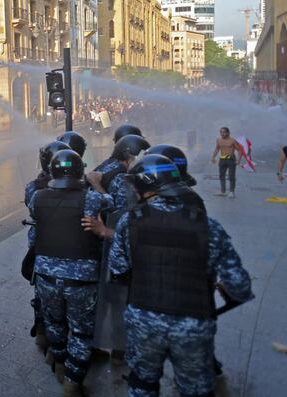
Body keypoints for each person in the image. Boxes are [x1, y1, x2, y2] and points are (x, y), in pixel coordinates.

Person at [109, 153, 254, 397]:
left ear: (146, 185)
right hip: (193, 325)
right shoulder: (208, 226)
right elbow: (240, 286)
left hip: (144, 320)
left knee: (142, 384)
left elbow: (118, 269)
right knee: (195, 389)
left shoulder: (129, 221)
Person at [29, 149, 113, 396]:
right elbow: (113, 202)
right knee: (80, 330)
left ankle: (59, 362)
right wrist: (97, 183)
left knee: (54, 322)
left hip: (45, 275)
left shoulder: (38, 196)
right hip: (81, 279)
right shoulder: (92, 199)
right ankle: (72, 381)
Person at [24, 140, 71, 348]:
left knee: (41, 289)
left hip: (41, 246)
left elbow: (33, 209)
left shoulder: (33, 188)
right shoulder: (82, 189)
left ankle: (42, 330)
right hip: (68, 248)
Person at [211, 127, 242, 198]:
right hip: (222, 159)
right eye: (221, 132)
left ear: (228, 133)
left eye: (224, 132)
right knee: (221, 175)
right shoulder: (218, 139)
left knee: (231, 176)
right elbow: (217, 149)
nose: (222, 134)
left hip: (231, 159)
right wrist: (213, 157)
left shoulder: (233, 140)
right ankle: (223, 191)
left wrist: (238, 160)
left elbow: (239, 150)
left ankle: (231, 191)